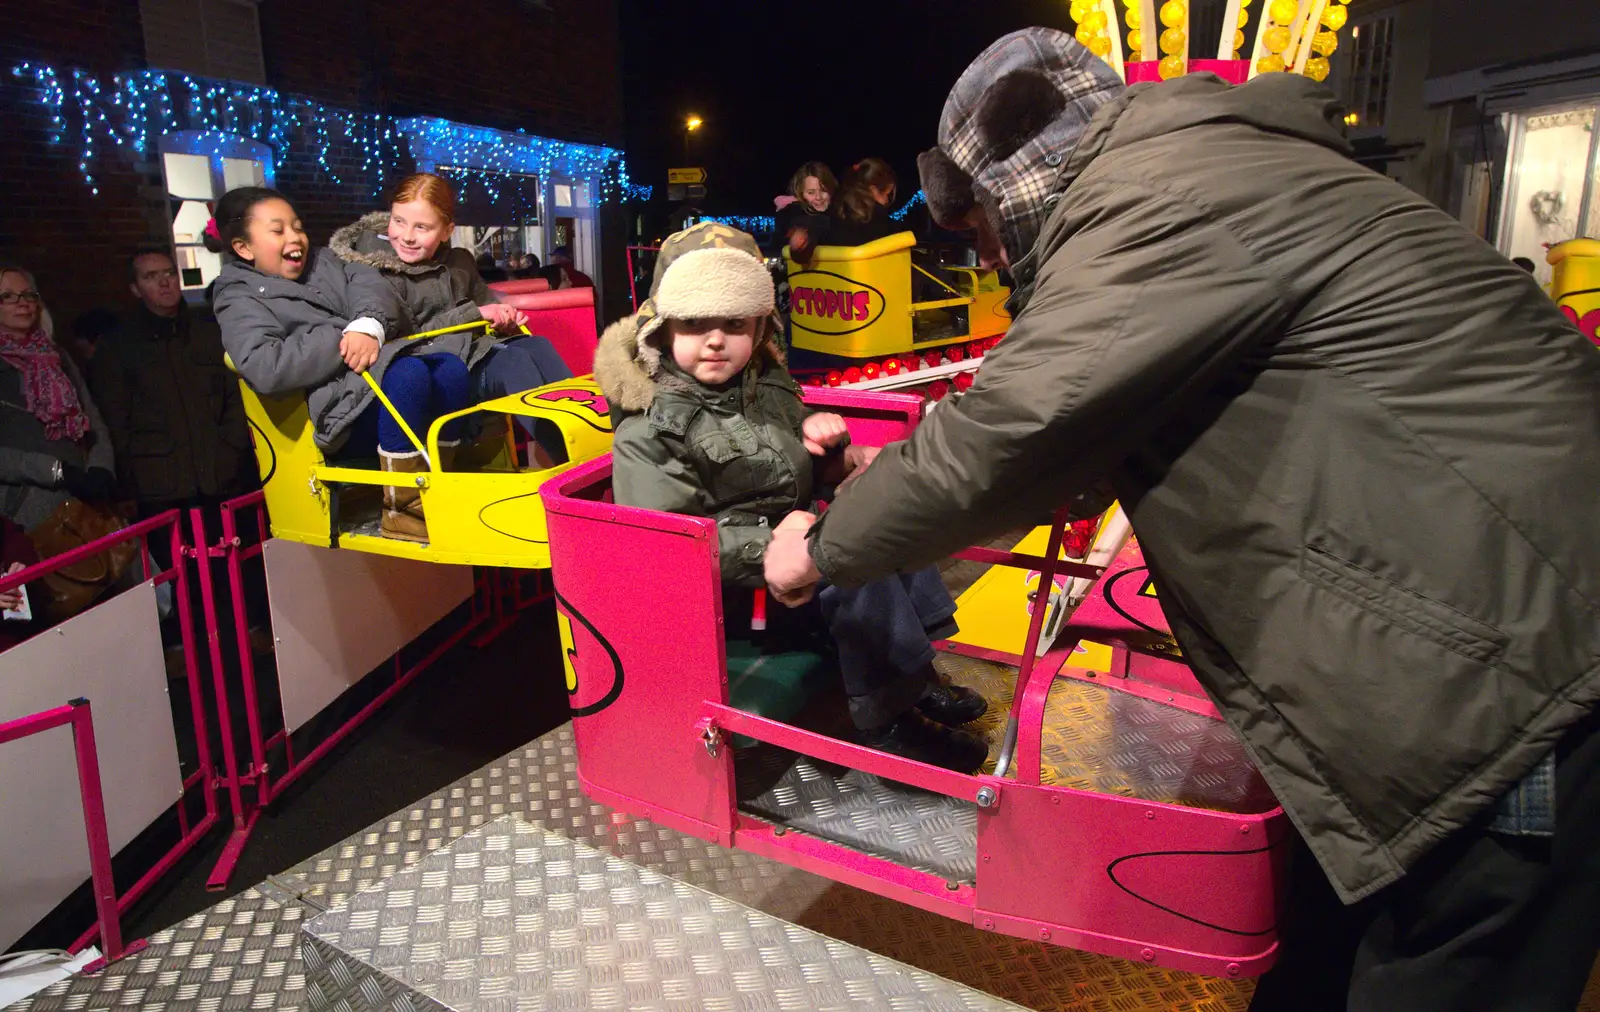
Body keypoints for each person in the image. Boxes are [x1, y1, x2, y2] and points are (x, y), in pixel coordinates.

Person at [763, 28, 1600, 1011]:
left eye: (975, 222)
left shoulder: (1158, 197)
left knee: (1442, 968)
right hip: (1474, 644)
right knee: (1324, 966)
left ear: (1016, 177)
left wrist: (818, 546)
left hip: (1512, 677)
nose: (981, 253)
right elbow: (1078, 444)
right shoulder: (1209, 166)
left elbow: (1014, 430)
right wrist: (892, 471)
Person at [594, 222, 988, 772]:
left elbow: (789, 473)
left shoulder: (765, 388)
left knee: (883, 512)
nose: (715, 339)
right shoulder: (649, 431)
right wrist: (771, 547)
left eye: (734, 323)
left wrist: (828, 453)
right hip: (737, 600)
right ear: (660, 329)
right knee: (849, 556)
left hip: (788, 562)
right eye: (694, 323)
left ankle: (912, 676)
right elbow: (672, 544)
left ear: (759, 326)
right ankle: (885, 721)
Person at [210, 186, 483, 543]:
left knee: (448, 368)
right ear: (243, 248)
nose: (295, 238)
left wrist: (367, 323)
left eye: (297, 227)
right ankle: (404, 508)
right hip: (335, 409)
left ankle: (440, 483)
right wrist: (344, 334)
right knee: (410, 375)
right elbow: (266, 365)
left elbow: (370, 284)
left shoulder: (326, 261)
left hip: (372, 381)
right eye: (278, 231)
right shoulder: (236, 295)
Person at [330, 173, 574, 458]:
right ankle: (564, 454)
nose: (407, 236)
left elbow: (486, 308)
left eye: (422, 227)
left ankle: (584, 436)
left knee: (537, 346)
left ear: (446, 231)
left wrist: (504, 319)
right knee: (515, 361)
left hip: (472, 355)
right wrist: (476, 314)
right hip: (435, 373)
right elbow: (408, 332)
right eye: (399, 221)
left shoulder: (458, 262)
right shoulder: (376, 267)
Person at [90, 249, 254, 518]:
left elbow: (236, 396)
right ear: (135, 288)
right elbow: (115, 421)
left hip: (222, 478)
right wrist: (127, 486)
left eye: (169, 273)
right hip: (160, 487)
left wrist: (231, 450)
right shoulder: (118, 347)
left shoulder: (209, 332)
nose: (164, 282)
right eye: (151, 276)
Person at [0, 266, 116, 534]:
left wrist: (101, 468)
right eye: (8, 296)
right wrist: (54, 470)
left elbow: (92, 421)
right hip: (26, 511)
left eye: (29, 295)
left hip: (85, 500)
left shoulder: (55, 356)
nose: (23, 303)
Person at [827, 158, 901, 247]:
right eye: (887, 195)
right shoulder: (877, 218)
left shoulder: (836, 209)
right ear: (873, 190)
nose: (887, 201)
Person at [777, 161, 838, 263]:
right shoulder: (793, 214)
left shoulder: (842, 212)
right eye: (811, 192)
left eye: (823, 190)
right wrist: (798, 240)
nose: (818, 197)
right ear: (801, 194)